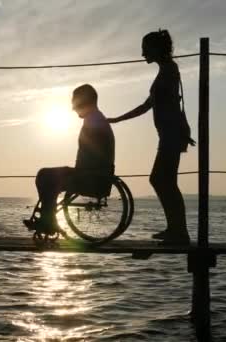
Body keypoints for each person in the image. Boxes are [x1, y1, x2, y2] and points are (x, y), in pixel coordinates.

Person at [107, 29, 195, 245]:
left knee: (161, 180)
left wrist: (118, 119)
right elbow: (149, 105)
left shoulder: (168, 71)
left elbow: (157, 105)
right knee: (165, 181)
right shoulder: (166, 70)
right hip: (168, 134)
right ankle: (176, 230)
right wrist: (118, 119)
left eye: (145, 49)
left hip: (171, 134)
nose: (142, 53)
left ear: (156, 49)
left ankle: (179, 231)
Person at [24, 84, 115, 232]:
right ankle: (49, 219)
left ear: (85, 102)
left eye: (75, 103)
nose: (73, 108)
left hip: (91, 177)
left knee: (44, 175)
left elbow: (90, 155)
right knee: (52, 176)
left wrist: (73, 173)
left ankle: (48, 221)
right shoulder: (98, 118)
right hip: (99, 175)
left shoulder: (93, 121)